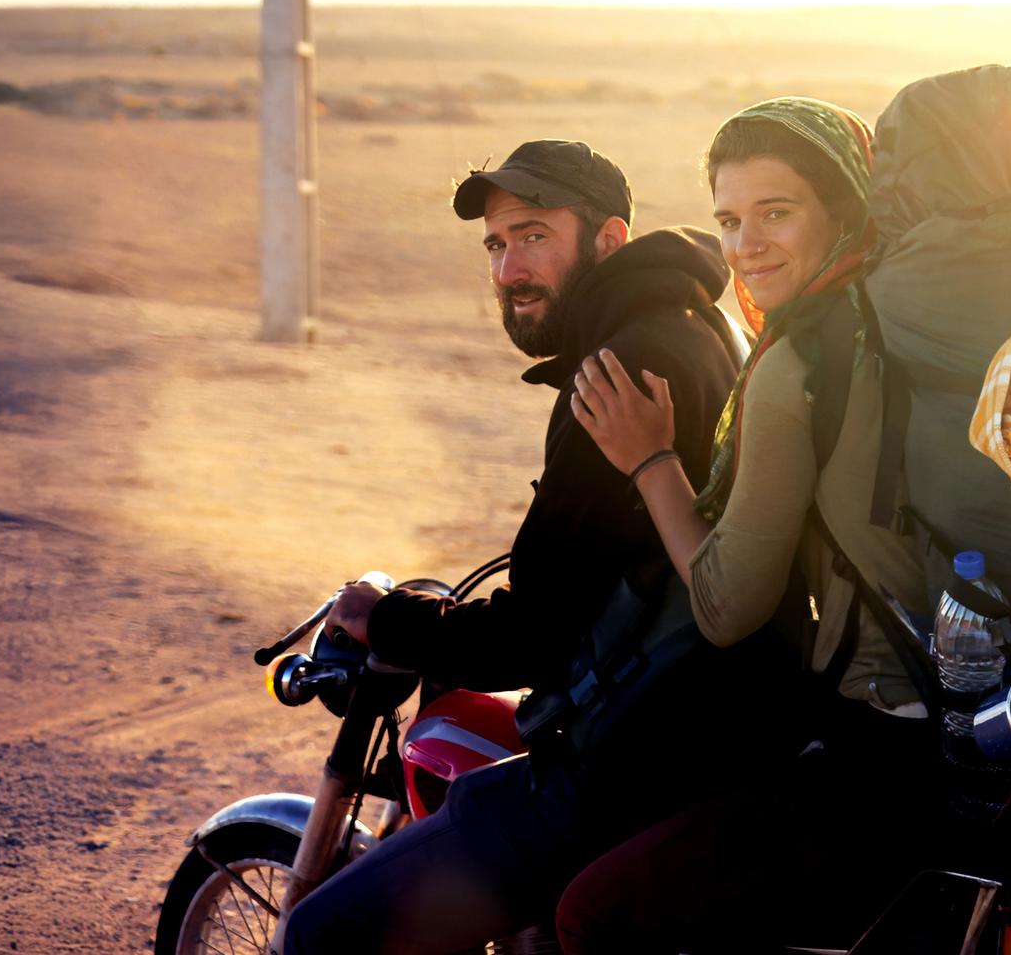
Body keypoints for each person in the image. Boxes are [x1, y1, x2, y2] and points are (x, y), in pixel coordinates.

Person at [279, 139, 761, 952]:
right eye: (497, 246)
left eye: (534, 235)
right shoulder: (693, 324)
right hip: (702, 719)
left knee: (323, 934)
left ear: (608, 241)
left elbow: (537, 635)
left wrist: (389, 622)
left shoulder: (620, 366)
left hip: (635, 754)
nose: (509, 271)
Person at [558, 99, 963, 953]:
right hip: (980, 720)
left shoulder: (801, 361)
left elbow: (727, 606)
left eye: (777, 213)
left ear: (845, 208)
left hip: (886, 754)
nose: (746, 245)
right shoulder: (917, 327)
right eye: (730, 220)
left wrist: (650, 462)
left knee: (594, 914)